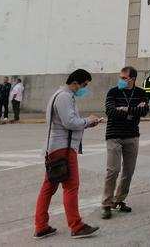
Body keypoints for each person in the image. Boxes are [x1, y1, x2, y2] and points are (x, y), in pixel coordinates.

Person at [34, 69, 101, 239]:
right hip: (63, 148)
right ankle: (76, 226)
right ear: (76, 83)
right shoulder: (64, 96)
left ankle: (41, 226)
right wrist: (89, 120)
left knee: (48, 187)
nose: (84, 89)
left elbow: (68, 121)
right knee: (71, 186)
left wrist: (86, 124)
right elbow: (70, 122)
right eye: (84, 85)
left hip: (56, 147)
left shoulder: (60, 95)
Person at [101, 66, 149, 220]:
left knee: (129, 171)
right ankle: (107, 204)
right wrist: (132, 112)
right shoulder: (113, 92)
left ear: (132, 79)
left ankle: (119, 200)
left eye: (123, 78)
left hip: (132, 136)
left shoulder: (141, 93)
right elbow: (110, 112)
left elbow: (144, 111)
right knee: (113, 170)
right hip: (114, 135)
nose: (120, 80)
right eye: (120, 77)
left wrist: (124, 109)